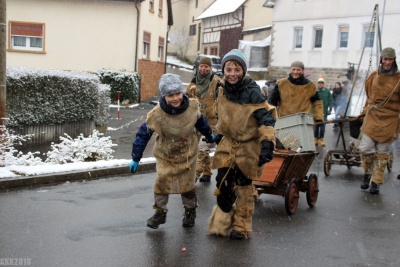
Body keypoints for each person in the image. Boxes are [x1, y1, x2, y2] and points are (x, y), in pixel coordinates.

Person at [129, 73, 214, 229]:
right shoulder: (157, 114)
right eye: (170, 95)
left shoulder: (193, 107)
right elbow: (143, 135)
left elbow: (201, 123)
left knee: (187, 186)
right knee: (161, 183)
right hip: (165, 154)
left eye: (177, 93)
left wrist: (209, 135)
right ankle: (160, 213)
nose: (175, 98)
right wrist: (136, 157)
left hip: (187, 153)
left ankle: (190, 212)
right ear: (164, 96)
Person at [207, 49, 276, 240]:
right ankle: (222, 222)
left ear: (243, 71)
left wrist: (267, 143)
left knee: (244, 185)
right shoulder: (221, 89)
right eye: (229, 69)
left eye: (237, 69)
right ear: (224, 70)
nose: (232, 74)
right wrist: (218, 134)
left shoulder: (253, 92)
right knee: (223, 181)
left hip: (248, 146)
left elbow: (266, 120)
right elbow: (222, 114)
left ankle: (241, 225)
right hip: (228, 144)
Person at [358, 47, 400, 194]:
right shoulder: (373, 76)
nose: (387, 62)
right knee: (365, 149)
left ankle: (376, 181)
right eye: (385, 59)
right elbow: (369, 97)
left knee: (382, 153)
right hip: (373, 116)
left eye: (390, 59)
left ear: (394, 60)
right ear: (381, 59)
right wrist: (364, 111)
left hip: (390, 119)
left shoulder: (399, 78)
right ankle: (367, 173)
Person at [186, 56, 222, 183]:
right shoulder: (194, 81)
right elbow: (186, 98)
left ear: (210, 68)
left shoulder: (217, 82)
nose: (203, 69)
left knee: (202, 149)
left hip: (211, 123)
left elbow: (223, 100)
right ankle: (207, 172)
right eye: (201, 66)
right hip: (196, 122)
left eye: (206, 66)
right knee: (197, 148)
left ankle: (192, 179)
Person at [313, 77, 333, 146]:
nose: (320, 84)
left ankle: (321, 139)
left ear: (323, 84)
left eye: (321, 83)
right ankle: (315, 138)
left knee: (322, 127)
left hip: (324, 112)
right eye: (319, 83)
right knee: (316, 127)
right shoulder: (315, 91)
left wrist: (330, 108)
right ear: (317, 84)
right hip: (316, 112)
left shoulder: (327, 91)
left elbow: (330, 100)